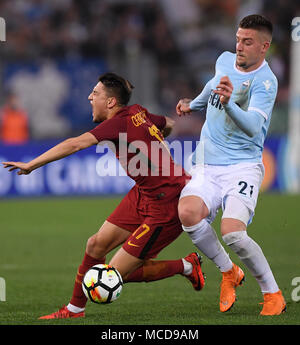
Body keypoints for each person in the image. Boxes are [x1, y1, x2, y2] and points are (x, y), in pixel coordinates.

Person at [3, 72, 205, 319]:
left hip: (167, 203)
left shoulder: (117, 122)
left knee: (112, 274)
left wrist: (32, 164)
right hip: (143, 193)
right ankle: (75, 310)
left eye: (95, 93)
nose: (90, 97)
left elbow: (76, 143)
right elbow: (169, 123)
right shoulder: (138, 111)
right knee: (95, 245)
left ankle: (186, 265)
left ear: (110, 102)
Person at [176, 14, 286, 316]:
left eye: (247, 42)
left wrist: (228, 105)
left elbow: (252, 126)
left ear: (264, 47)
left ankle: (273, 293)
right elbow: (213, 86)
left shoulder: (265, 82)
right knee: (187, 213)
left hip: (242, 166)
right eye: (238, 39)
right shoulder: (224, 60)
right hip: (207, 163)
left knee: (233, 233)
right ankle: (229, 272)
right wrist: (193, 104)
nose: (239, 46)